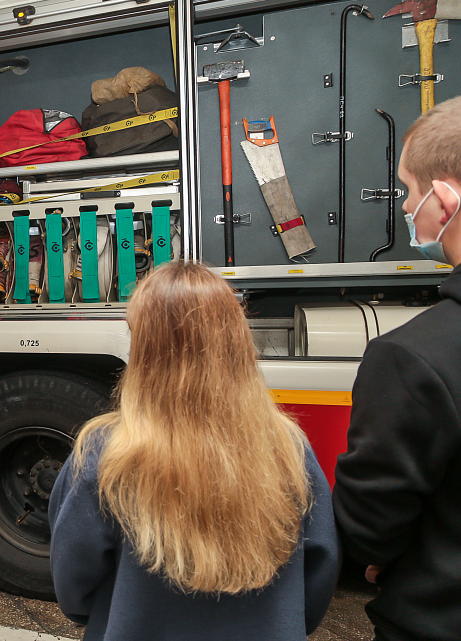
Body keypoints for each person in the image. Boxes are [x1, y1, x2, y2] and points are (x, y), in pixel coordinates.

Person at [49, 261, 339, 640]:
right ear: (235, 340)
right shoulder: (289, 448)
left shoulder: (105, 454)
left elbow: (72, 581)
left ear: (145, 348)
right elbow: (319, 570)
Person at [333, 96, 461, 640]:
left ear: (445, 200)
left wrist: (390, 558)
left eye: (411, 190)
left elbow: (367, 530)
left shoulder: (413, 357)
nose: (407, 207)